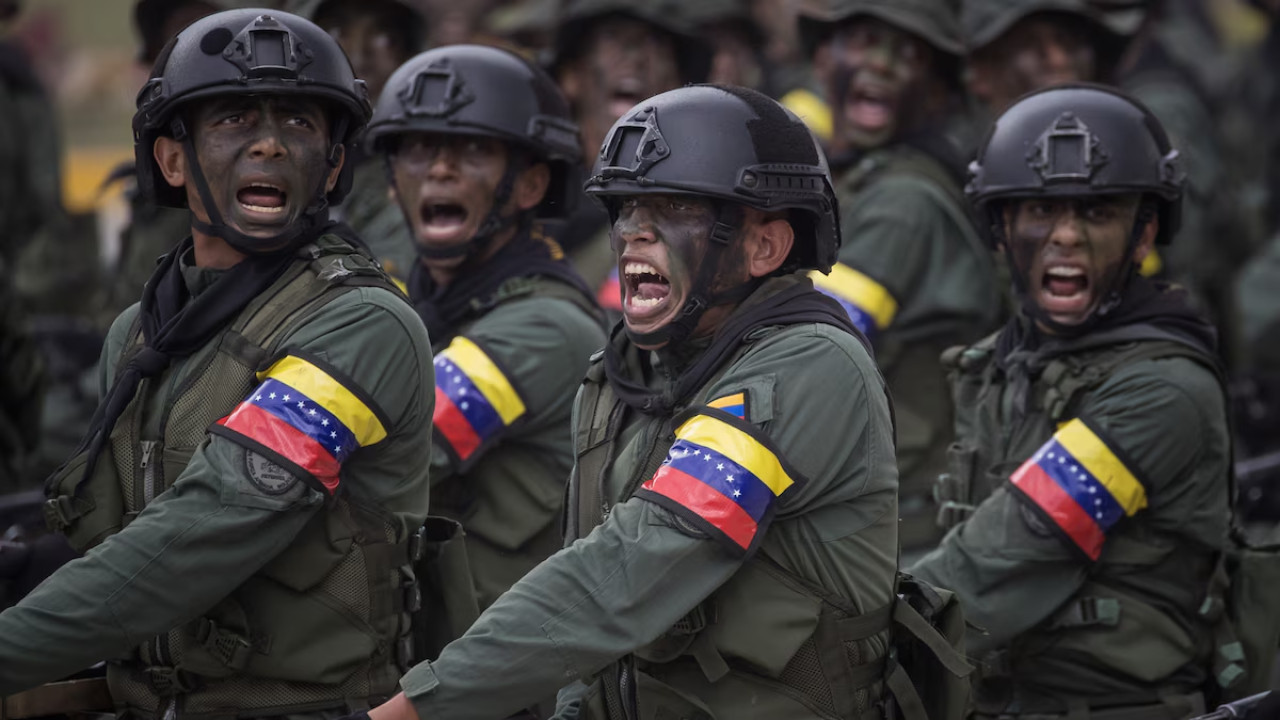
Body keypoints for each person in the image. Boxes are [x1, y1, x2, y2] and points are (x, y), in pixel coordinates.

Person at [351, 84, 900, 720]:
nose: (636, 231)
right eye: (628, 207)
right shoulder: (625, 375)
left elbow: (631, 567)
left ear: (764, 246)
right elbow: (590, 596)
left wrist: (418, 708)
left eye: (676, 208)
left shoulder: (810, 366)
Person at [0, 10, 434, 714]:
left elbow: (207, 528)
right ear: (173, 160)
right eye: (233, 120)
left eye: (299, 124)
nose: (268, 143)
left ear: (334, 164)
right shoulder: (141, 334)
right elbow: (122, 537)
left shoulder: (362, 326)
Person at [915, 84, 1230, 718]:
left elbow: (1001, 559)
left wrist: (848, 642)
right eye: (1040, 211)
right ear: (1002, 229)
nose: (1067, 236)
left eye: (1097, 213)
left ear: (1143, 235)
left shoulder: (1162, 390)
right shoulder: (997, 364)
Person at [363, 44, 605, 629]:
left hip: (503, 681)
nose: (441, 169)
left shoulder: (543, 327)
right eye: (419, 149)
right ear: (393, 183)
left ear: (528, 186)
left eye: (474, 150)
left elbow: (384, 455)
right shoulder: (416, 300)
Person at [797, 0, 1000, 555]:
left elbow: (805, 359)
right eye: (863, 40)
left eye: (908, 54)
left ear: (936, 91)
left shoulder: (905, 200)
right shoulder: (854, 179)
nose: (882, 64)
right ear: (821, 59)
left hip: (900, 537)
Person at [550, 0, 712, 311]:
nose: (635, 58)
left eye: (654, 43)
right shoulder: (530, 192)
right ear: (571, 76)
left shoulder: (698, 205)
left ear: (677, 84)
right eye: (613, 39)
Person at [288, 0, 430, 281]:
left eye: (387, 38)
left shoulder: (416, 172)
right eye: (337, 32)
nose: (359, 53)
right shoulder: (247, 150)